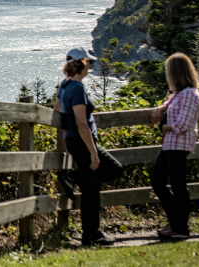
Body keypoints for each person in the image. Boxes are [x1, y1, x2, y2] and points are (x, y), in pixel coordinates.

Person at [54, 46, 124, 246]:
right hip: (82, 141)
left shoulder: (65, 85)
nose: (91, 64)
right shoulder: (77, 88)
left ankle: (90, 234)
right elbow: (81, 123)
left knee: (90, 187)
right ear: (83, 63)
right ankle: (91, 234)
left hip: (73, 140)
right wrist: (94, 153)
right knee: (114, 169)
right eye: (89, 61)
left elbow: (57, 110)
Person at [150, 52, 199, 240]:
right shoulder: (179, 93)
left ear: (176, 72)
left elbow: (182, 125)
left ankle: (181, 227)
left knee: (178, 186)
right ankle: (176, 224)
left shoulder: (189, 93)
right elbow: (170, 102)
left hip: (178, 144)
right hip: (171, 145)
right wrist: (160, 108)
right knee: (158, 182)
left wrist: (165, 127)